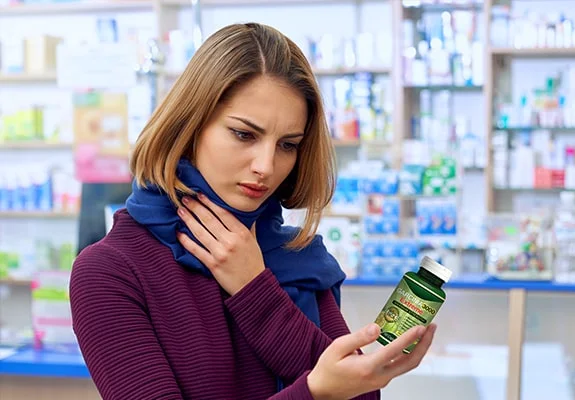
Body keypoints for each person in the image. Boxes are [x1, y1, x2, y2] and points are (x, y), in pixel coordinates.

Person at [69, 22, 436, 400]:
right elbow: (332, 389)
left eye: (288, 145)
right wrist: (313, 392)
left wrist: (253, 287)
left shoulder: (297, 258)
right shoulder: (111, 270)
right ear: (190, 124)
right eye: (245, 134)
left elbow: (360, 395)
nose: (266, 166)